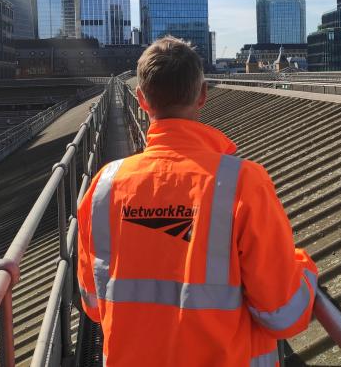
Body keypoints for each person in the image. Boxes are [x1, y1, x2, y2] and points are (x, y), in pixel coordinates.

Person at [77, 36, 318, 367]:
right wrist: (302, 265)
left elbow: (92, 302)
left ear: (141, 99)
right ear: (203, 95)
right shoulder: (243, 183)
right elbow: (284, 315)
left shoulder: (104, 186)